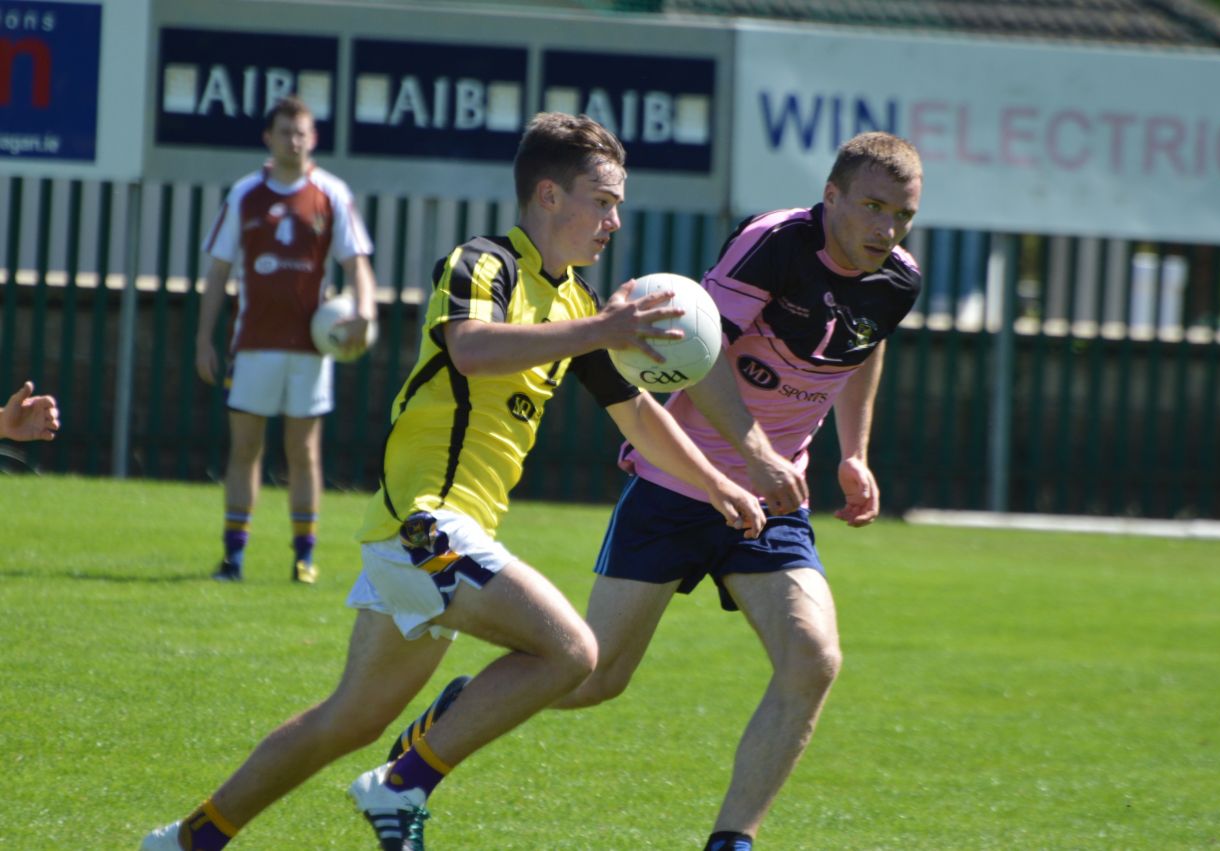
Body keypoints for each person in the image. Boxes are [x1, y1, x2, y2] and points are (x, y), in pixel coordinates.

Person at [141, 111, 765, 851]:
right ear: (549, 196)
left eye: (617, 203)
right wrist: (601, 331)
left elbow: (638, 416)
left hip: (442, 534)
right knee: (572, 651)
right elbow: (471, 349)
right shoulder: (483, 262)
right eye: (602, 200)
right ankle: (402, 781)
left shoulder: (575, 303)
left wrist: (719, 483)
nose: (614, 220)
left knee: (349, 718)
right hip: (424, 521)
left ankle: (188, 838)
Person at [390, 131, 925, 849]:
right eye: (872, 207)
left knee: (813, 658)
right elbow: (698, 355)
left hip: (770, 497)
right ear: (831, 197)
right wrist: (753, 451)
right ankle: (447, 721)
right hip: (677, 481)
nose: (887, 229)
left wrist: (853, 454)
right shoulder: (772, 244)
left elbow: (865, 342)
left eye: (902, 215)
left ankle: (732, 839)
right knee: (590, 677)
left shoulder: (898, 276)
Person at [195, 94, 376, 585]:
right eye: (284, 132)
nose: (293, 141)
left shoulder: (331, 194)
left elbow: (357, 262)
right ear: (268, 138)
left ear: (312, 139)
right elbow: (217, 273)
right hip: (252, 345)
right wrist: (202, 339)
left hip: (311, 351)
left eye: (301, 133)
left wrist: (365, 311)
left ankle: (304, 557)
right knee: (245, 449)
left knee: (304, 453)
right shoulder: (246, 194)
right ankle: (233, 556)